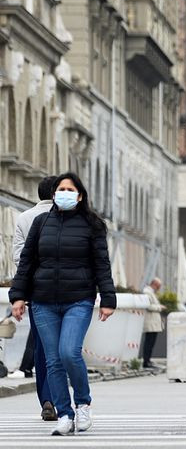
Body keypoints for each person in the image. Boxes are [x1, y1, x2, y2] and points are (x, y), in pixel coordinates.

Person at [9, 173, 116, 436]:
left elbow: (102, 264)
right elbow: (27, 264)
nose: (64, 193)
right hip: (43, 300)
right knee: (53, 361)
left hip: (78, 299)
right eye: (60, 189)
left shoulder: (93, 226)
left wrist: (108, 298)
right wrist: (18, 296)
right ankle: (64, 414)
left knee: (69, 352)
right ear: (53, 194)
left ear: (79, 196)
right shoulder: (40, 223)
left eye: (70, 189)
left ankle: (82, 403)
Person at [11, 175, 57, 420]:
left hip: (37, 291)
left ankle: (48, 399)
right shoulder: (73, 218)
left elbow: (18, 257)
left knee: (42, 347)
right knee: (66, 348)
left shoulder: (23, 217)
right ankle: (64, 399)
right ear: (56, 193)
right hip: (69, 293)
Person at [141, 278, 166, 369]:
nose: (159, 289)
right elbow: (148, 306)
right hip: (150, 322)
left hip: (153, 322)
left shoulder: (150, 292)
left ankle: (148, 360)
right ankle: (146, 361)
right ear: (154, 284)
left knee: (151, 343)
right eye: (158, 287)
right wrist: (159, 307)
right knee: (149, 342)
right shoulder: (147, 292)